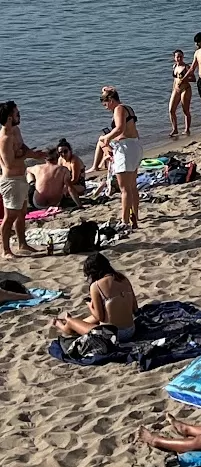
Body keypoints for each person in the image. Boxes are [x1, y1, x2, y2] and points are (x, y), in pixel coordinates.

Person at [54, 253, 138, 340]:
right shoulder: (123, 278)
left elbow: (99, 317)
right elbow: (135, 308)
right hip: (131, 330)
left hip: (110, 336)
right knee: (94, 318)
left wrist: (90, 306)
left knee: (71, 321)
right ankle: (75, 323)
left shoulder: (96, 286)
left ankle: (62, 324)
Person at [0, 102, 46, 256]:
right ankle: (6, 250)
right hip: (11, 181)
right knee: (10, 216)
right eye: (16, 113)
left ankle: (22, 244)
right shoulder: (5, 138)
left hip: (22, 177)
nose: (19, 115)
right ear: (9, 118)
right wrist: (27, 156)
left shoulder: (16, 130)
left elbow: (22, 146)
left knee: (22, 213)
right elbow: (10, 163)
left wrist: (34, 155)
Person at [95, 87, 143, 228]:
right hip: (134, 146)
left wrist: (106, 138)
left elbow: (120, 128)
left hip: (126, 149)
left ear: (110, 100)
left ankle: (125, 221)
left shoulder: (119, 109)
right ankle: (135, 216)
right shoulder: (128, 108)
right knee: (132, 186)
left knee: (125, 188)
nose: (104, 106)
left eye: (104, 102)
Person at [169, 48, 192, 138]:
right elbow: (175, 80)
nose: (179, 58)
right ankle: (175, 129)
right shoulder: (174, 67)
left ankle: (187, 129)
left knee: (185, 110)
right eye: (177, 57)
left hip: (185, 89)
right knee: (171, 110)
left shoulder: (186, 67)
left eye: (181, 57)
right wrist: (174, 89)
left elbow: (193, 78)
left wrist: (184, 79)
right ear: (174, 58)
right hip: (176, 89)